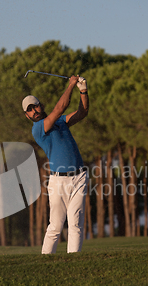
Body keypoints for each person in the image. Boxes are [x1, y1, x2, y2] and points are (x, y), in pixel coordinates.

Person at [22, 75, 89, 254]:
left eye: (34, 106)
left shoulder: (60, 122)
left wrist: (83, 91)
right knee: (56, 226)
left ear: (40, 105)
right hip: (58, 182)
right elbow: (60, 108)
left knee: (76, 224)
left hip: (79, 177)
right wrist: (71, 85)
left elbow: (82, 112)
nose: (33, 111)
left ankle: (74, 262)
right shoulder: (38, 128)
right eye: (29, 110)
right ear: (27, 116)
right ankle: (45, 262)